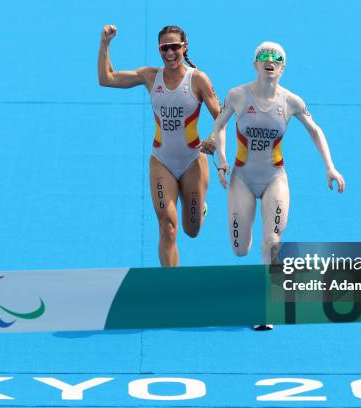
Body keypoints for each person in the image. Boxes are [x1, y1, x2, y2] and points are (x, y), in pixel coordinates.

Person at [213, 42, 345, 329]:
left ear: (283, 68)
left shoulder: (291, 101)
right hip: (242, 179)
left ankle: (266, 306)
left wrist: (330, 166)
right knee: (240, 249)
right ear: (255, 64)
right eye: (264, 56)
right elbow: (219, 126)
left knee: (271, 241)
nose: (270, 60)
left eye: (277, 58)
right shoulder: (237, 95)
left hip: (275, 178)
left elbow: (315, 130)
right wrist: (221, 159)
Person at [98, 24, 220, 266]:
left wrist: (214, 139)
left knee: (191, 229)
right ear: (159, 49)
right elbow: (107, 79)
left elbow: (222, 116)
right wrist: (105, 43)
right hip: (161, 161)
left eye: (175, 46)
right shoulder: (150, 76)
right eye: (165, 47)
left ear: (184, 47)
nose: (170, 52)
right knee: (167, 227)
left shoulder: (198, 80)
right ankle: (171, 285)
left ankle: (199, 209)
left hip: (193, 160)